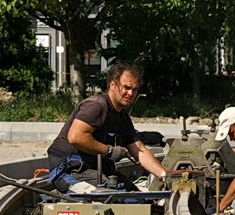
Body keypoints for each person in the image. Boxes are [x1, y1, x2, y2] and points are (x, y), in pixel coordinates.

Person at [47, 61, 167, 193]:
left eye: (134, 89)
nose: (130, 93)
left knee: (139, 201)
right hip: (71, 170)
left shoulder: (122, 117)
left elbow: (139, 149)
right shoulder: (96, 106)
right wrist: (109, 151)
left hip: (96, 169)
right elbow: (76, 137)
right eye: (126, 87)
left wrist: (164, 176)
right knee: (115, 200)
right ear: (112, 85)